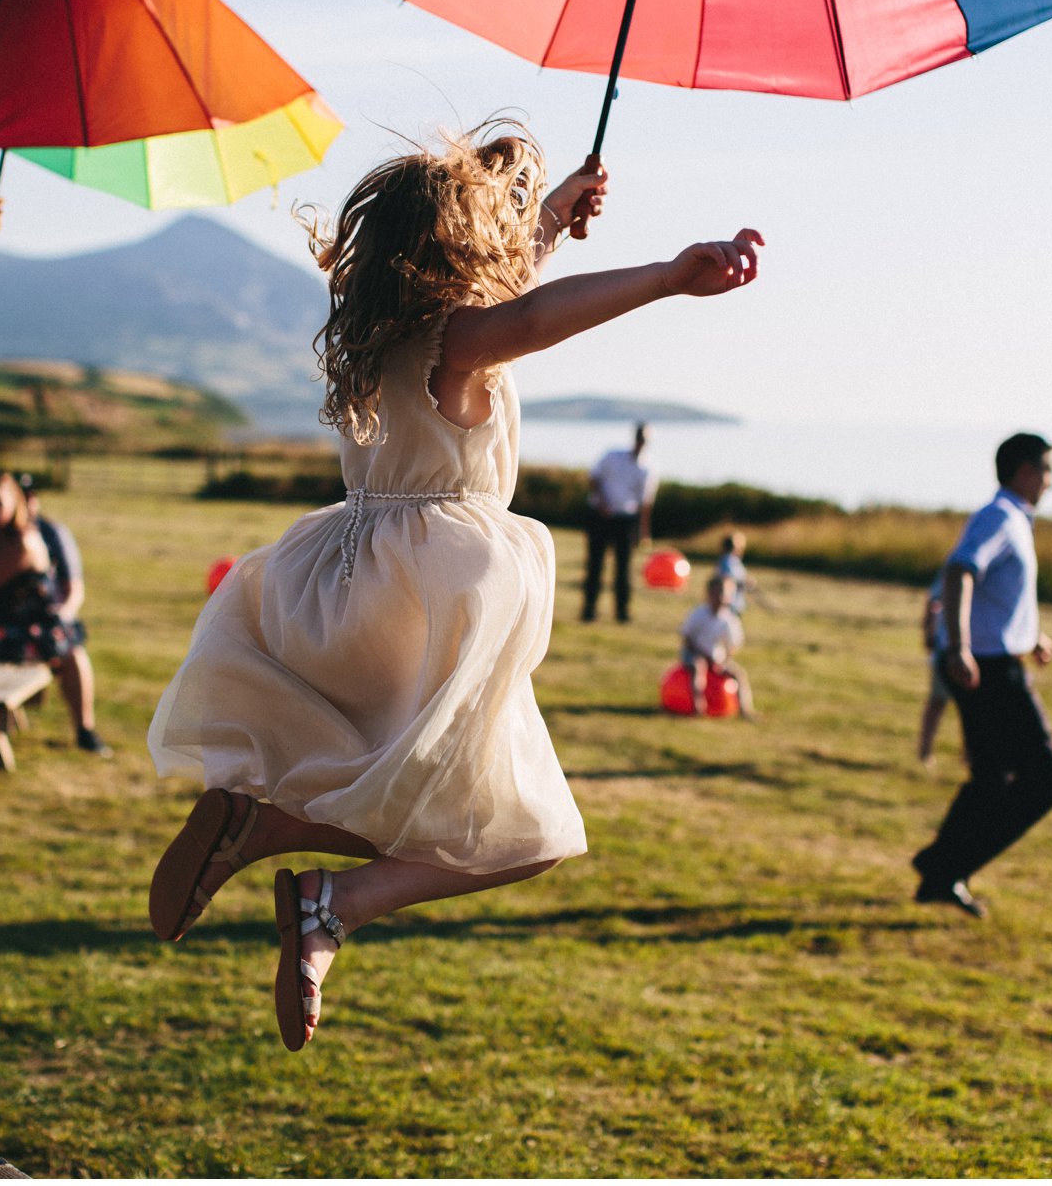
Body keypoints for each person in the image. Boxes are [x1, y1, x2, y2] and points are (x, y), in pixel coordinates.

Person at [145, 119, 765, 1050]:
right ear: (458, 248)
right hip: (435, 593)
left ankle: (297, 867)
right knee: (523, 832)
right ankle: (307, 873)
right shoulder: (466, 341)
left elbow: (512, 293)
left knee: (430, 799)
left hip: (346, 582)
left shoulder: (382, 331)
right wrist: (667, 277)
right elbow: (527, 319)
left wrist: (553, 215)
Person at [911, 433, 1052, 918]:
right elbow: (960, 573)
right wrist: (957, 647)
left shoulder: (1014, 519)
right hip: (987, 668)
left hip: (996, 658)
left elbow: (997, 592)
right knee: (1045, 781)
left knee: (992, 779)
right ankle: (946, 865)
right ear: (1024, 471)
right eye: (1047, 471)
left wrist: (1030, 634)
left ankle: (940, 870)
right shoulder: (999, 516)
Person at [0, 471, 107, 755]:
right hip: (5, 623)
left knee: (70, 653)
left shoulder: (26, 538)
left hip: (32, 626)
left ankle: (84, 730)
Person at [581, 422, 656, 622]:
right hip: (601, 515)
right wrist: (603, 503)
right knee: (595, 564)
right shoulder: (613, 456)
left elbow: (645, 504)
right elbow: (594, 478)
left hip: (625, 520)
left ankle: (622, 612)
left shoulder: (647, 469)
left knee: (623, 568)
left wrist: (643, 531)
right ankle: (589, 608)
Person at [678, 575, 756, 719]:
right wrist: (699, 654)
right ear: (708, 595)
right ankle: (698, 707)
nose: (720, 598)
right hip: (694, 653)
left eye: (724, 594)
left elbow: (734, 645)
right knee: (698, 667)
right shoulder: (698, 614)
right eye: (716, 593)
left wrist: (723, 660)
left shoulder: (729, 619)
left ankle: (745, 710)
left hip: (717, 658)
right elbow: (687, 637)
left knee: (739, 674)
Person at [913, 575, 949, 766]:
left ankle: (970, 757)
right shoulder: (955, 566)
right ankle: (925, 750)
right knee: (937, 701)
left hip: (980, 652)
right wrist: (928, 631)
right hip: (947, 650)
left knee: (973, 712)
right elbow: (933, 601)